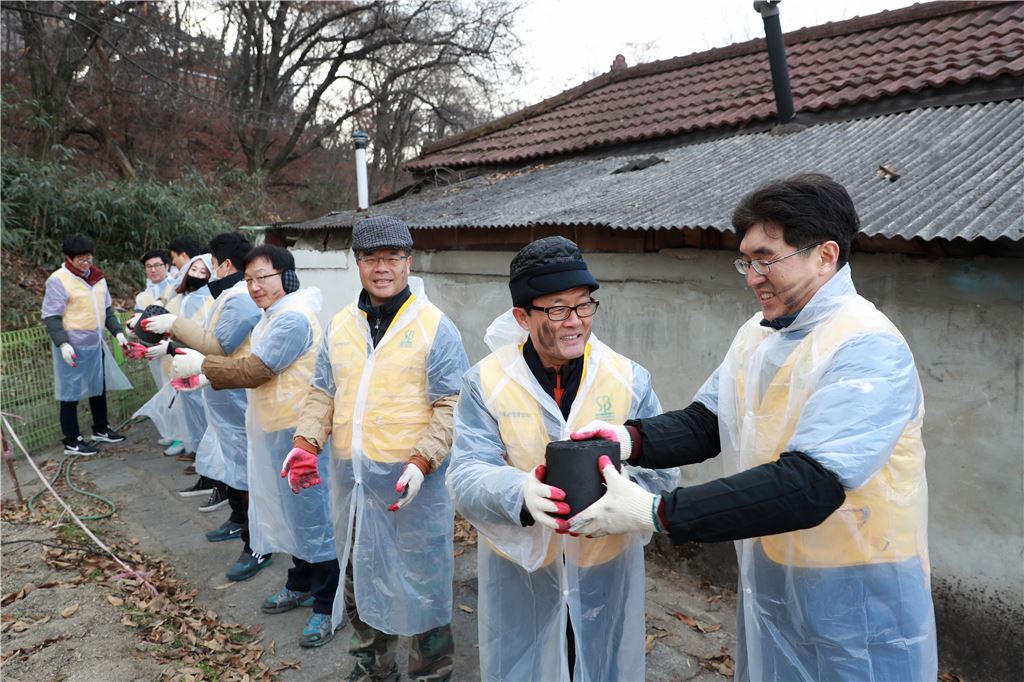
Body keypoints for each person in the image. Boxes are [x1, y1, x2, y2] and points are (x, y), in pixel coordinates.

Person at [568, 174, 937, 681]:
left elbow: (811, 483)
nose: (752, 277)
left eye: (766, 259)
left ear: (825, 255)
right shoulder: (758, 336)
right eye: (746, 261)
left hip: (859, 588)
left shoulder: (866, 345)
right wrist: (628, 440)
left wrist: (657, 512)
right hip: (775, 571)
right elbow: (709, 421)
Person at [446, 236, 676, 681]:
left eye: (584, 305)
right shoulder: (487, 381)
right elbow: (467, 474)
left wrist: (626, 499)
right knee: (524, 669)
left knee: (603, 665)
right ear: (522, 317)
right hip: (522, 567)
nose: (575, 321)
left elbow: (662, 470)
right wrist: (520, 493)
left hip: (603, 564)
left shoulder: (627, 378)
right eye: (557, 309)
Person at [282, 215, 469, 679]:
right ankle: (373, 666)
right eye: (370, 258)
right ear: (358, 263)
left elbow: (451, 403)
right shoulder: (341, 325)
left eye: (392, 257)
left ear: (409, 261)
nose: (381, 268)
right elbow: (323, 391)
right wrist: (306, 442)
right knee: (360, 575)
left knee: (422, 582)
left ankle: (430, 672)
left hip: (412, 484)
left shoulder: (434, 327)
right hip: (355, 481)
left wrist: (421, 460)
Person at [172, 244, 337, 647]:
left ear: (286, 276)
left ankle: (327, 604)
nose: (254, 287)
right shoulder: (272, 314)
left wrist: (203, 366)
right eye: (248, 280)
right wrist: (207, 374)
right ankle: (300, 582)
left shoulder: (293, 319)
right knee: (291, 514)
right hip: (275, 429)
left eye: (262, 277)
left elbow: (259, 369)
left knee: (314, 518)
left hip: (300, 435)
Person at [147, 233, 266, 580]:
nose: (209, 271)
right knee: (234, 469)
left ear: (226, 264)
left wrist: (173, 326)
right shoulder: (228, 295)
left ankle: (257, 545)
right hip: (223, 397)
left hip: (238, 398)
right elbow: (207, 340)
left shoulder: (240, 299)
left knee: (248, 475)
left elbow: (218, 346)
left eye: (212, 264)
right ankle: (239, 521)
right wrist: (172, 349)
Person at [42, 235, 132, 456]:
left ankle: (101, 428)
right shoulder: (59, 280)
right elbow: (52, 316)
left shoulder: (97, 278)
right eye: (80, 258)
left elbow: (107, 310)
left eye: (88, 257)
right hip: (72, 345)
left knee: (97, 386)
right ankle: (72, 440)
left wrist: (118, 332)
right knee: (70, 391)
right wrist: (63, 343)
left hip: (95, 342)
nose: (86, 262)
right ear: (68, 258)